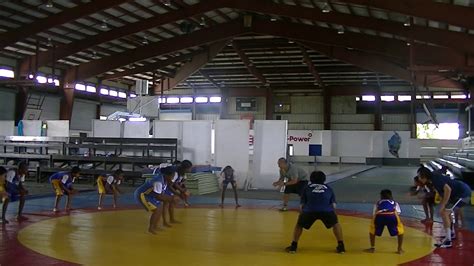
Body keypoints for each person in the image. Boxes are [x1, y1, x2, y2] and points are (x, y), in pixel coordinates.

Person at [285, 171, 345, 254]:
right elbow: (334, 205)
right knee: (336, 224)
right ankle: (341, 246)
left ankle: (293, 246)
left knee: (299, 225)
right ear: (324, 179)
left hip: (310, 210)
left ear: (311, 179)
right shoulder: (329, 188)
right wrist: (333, 216)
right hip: (326, 210)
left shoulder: (307, 188)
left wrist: (302, 215)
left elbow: (301, 205)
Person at [417, 166, 472, 248]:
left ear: (424, 176)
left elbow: (448, 190)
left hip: (463, 194)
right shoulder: (433, 179)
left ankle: (448, 241)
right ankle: (451, 234)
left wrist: (443, 204)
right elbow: (443, 192)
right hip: (458, 194)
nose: (419, 179)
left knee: (444, 212)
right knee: (446, 212)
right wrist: (443, 203)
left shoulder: (435, 179)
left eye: (419, 176)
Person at [134, 166, 175, 234]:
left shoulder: (164, 179)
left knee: (160, 207)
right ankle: (151, 229)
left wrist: (169, 199)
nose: (173, 177)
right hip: (142, 195)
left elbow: (161, 193)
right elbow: (159, 197)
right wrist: (171, 199)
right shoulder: (158, 182)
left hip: (150, 194)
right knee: (157, 210)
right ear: (167, 175)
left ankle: (155, 226)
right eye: (172, 175)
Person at [365, 189, 404, 254]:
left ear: (381, 196)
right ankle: (399, 249)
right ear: (391, 196)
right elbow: (398, 212)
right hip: (391, 216)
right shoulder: (394, 203)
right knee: (400, 231)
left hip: (379, 216)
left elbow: (374, 213)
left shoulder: (378, 203)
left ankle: (372, 248)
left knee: (372, 230)